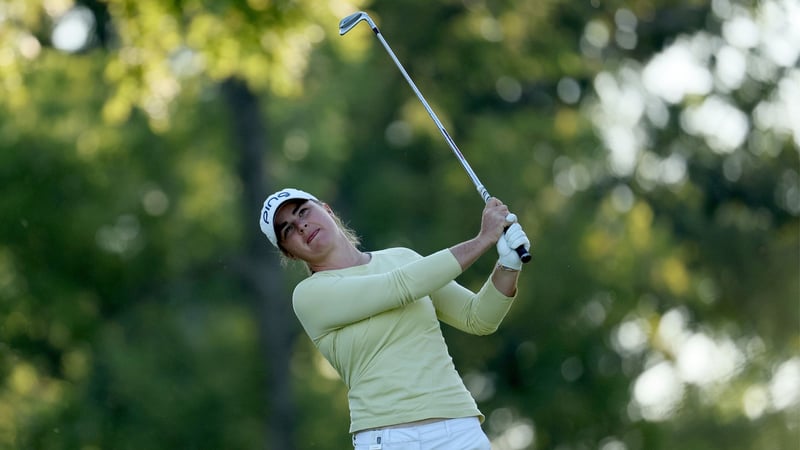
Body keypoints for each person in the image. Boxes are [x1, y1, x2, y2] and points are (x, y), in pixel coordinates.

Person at [259, 188, 530, 450]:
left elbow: (478, 318)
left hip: (460, 431)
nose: (301, 226)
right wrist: (483, 239)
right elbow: (399, 287)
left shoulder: (402, 258)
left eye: (303, 212)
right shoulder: (309, 296)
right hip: (387, 438)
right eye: (288, 230)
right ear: (290, 254)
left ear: (327, 209)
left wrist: (508, 265)